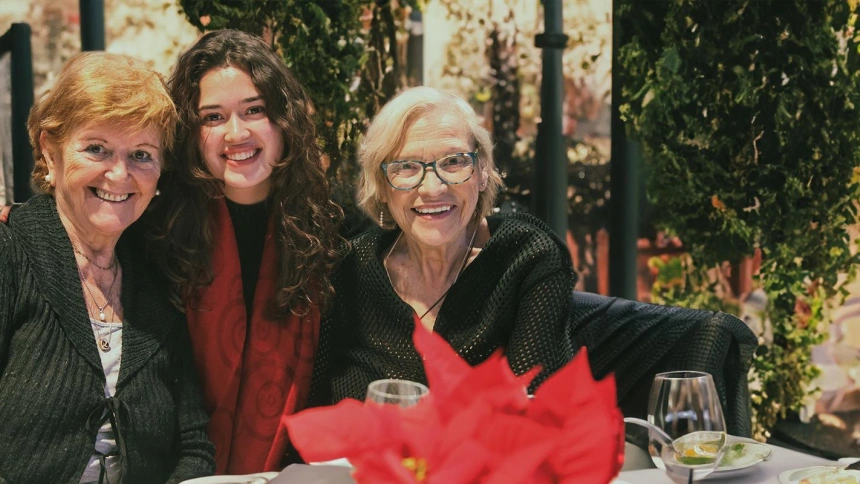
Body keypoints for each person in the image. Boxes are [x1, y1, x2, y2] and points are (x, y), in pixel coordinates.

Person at [0, 52, 215, 483]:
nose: (119, 175)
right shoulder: (10, 255)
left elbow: (193, 443)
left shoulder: (157, 274)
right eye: (96, 149)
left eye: (141, 154)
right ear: (50, 151)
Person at [149, 29, 343, 474]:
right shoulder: (156, 235)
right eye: (212, 117)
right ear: (191, 133)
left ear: (284, 119)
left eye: (254, 110)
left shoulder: (334, 233)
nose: (236, 133)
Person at [309, 86, 576, 406]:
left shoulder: (527, 260)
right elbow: (313, 406)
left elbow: (539, 411)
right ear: (381, 185)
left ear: (482, 171)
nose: (432, 188)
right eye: (406, 166)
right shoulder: (347, 270)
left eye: (453, 162)